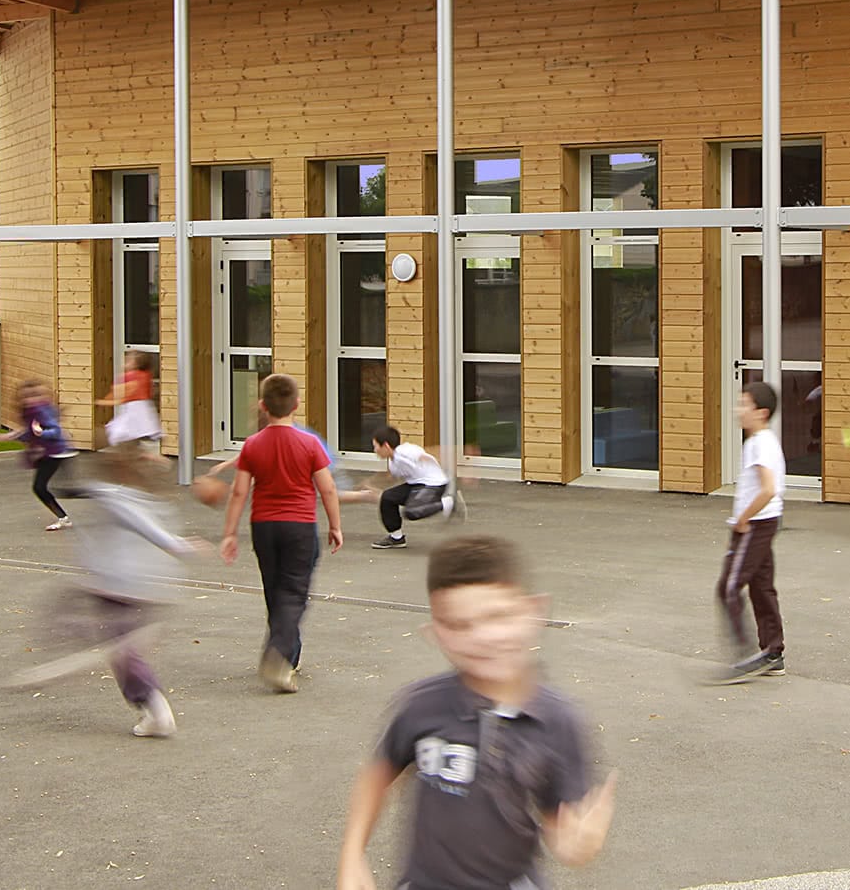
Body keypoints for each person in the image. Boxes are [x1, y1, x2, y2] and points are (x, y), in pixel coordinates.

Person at [337, 535, 615, 890]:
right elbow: (377, 775)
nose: (481, 637)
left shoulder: (558, 721)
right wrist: (352, 852)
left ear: (534, 612)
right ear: (434, 632)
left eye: (496, 616)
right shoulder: (422, 706)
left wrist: (578, 846)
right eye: (458, 625)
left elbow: (559, 824)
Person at [6, 459, 205, 737]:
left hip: (119, 586)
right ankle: (149, 705)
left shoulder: (116, 497)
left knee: (123, 650)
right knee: (121, 648)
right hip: (141, 587)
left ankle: (154, 707)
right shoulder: (151, 502)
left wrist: (179, 545)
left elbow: (145, 528)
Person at [219, 374, 343, 693]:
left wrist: (230, 532)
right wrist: (335, 526)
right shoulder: (309, 443)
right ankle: (278, 655)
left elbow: (238, 492)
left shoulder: (252, 445)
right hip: (299, 526)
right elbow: (327, 488)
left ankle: (288, 656)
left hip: (264, 526)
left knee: (274, 590)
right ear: (296, 405)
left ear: (263, 406)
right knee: (294, 594)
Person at [711, 381, 785, 684]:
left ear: (762, 413)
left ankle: (744, 657)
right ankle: (772, 653)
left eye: (745, 405)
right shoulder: (760, 440)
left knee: (729, 588)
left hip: (756, 525)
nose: (738, 411)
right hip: (766, 522)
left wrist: (743, 518)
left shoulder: (760, 443)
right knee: (761, 587)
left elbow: (768, 489)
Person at [0, 379, 78, 531]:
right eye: (25, 397)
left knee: (45, 488)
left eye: (32, 396)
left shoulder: (40, 410)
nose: (29, 400)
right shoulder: (29, 412)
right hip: (48, 454)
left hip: (57, 453)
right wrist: (10, 437)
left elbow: (55, 431)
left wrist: (42, 432)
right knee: (49, 488)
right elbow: (29, 434)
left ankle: (102, 495)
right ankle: (64, 517)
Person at [368, 425, 454, 550]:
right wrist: (371, 484)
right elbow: (390, 477)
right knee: (387, 497)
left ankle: (449, 502)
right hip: (416, 484)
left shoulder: (405, 452)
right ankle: (397, 538)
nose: (374, 450)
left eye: (376, 446)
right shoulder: (393, 462)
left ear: (386, 446)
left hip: (434, 485)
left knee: (412, 512)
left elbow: (426, 455)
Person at [96, 349, 161, 449]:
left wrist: (101, 402)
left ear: (136, 364)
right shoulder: (146, 375)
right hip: (144, 410)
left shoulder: (130, 377)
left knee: (118, 434)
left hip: (134, 412)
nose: (126, 362)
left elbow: (120, 397)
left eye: (129, 360)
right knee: (131, 437)